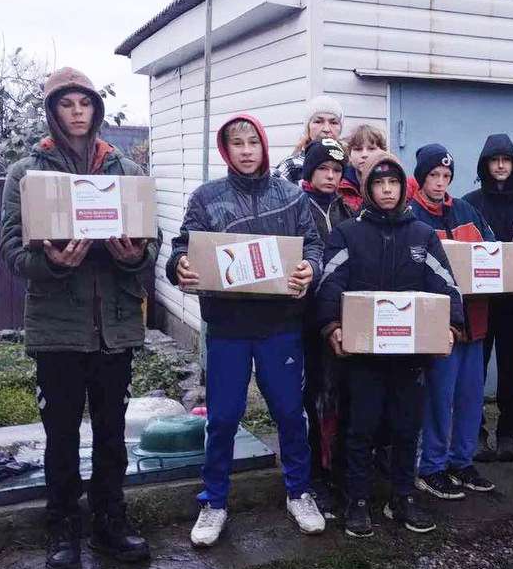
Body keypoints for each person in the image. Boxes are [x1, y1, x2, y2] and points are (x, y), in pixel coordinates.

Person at [0, 66, 160, 569]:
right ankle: (63, 528)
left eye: (84, 103)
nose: (76, 112)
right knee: (61, 433)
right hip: (58, 327)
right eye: (66, 104)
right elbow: (10, 250)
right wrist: (54, 263)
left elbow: (149, 248)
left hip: (115, 324)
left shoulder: (127, 171)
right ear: (52, 111)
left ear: (96, 109)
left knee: (112, 432)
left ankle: (110, 521)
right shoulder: (27, 174)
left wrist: (132, 254)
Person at [169, 116, 325, 546]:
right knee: (222, 418)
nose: (245, 150)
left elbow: (313, 245)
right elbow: (183, 245)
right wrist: (178, 264)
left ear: (263, 145)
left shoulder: (291, 197)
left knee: (291, 413)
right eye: (236, 143)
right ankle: (214, 501)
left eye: (252, 141)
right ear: (225, 149)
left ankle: (299, 491)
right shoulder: (206, 197)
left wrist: (311, 268)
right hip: (227, 326)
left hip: (279, 326)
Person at [316, 150, 464, 537]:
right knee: (360, 428)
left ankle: (402, 496)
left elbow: (445, 283)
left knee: (406, 427)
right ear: (368, 189)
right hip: (363, 357)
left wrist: (452, 324)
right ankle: (358, 500)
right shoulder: (348, 233)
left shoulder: (422, 235)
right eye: (379, 183)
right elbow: (330, 282)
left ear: (402, 187)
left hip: (409, 356)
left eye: (393, 183)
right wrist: (333, 326)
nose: (386, 190)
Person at [409, 144, 498, 499]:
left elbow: (492, 251)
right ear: (421, 177)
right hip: (438, 326)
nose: (440, 182)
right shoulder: (411, 215)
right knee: (437, 397)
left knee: (470, 397)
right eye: (433, 175)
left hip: (474, 322)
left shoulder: (467, 210)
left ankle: (462, 461)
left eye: (446, 176)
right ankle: (431, 466)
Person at [462, 134, 513, 463]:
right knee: (475, 368)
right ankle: (474, 432)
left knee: (511, 366)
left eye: (506, 159)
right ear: (485, 165)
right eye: (495, 160)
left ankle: (508, 433)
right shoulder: (469, 203)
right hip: (479, 301)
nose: (501, 165)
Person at [300, 138, 356, 517]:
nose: (331, 176)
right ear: (310, 170)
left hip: (343, 315)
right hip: (303, 318)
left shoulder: (350, 210)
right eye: (324, 169)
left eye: (337, 171)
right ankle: (313, 475)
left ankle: (337, 467)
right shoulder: (294, 206)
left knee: (340, 395)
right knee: (312, 396)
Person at [278, 95, 343, 183]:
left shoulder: (348, 167)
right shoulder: (292, 167)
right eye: (318, 122)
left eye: (334, 122)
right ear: (308, 127)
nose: (326, 129)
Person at [342, 123, 387, 214]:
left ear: (383, 152)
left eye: (371, 149)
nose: (364, 155)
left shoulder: (393, 182)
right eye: (358, 149)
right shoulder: (339, 187)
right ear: (349, 155)